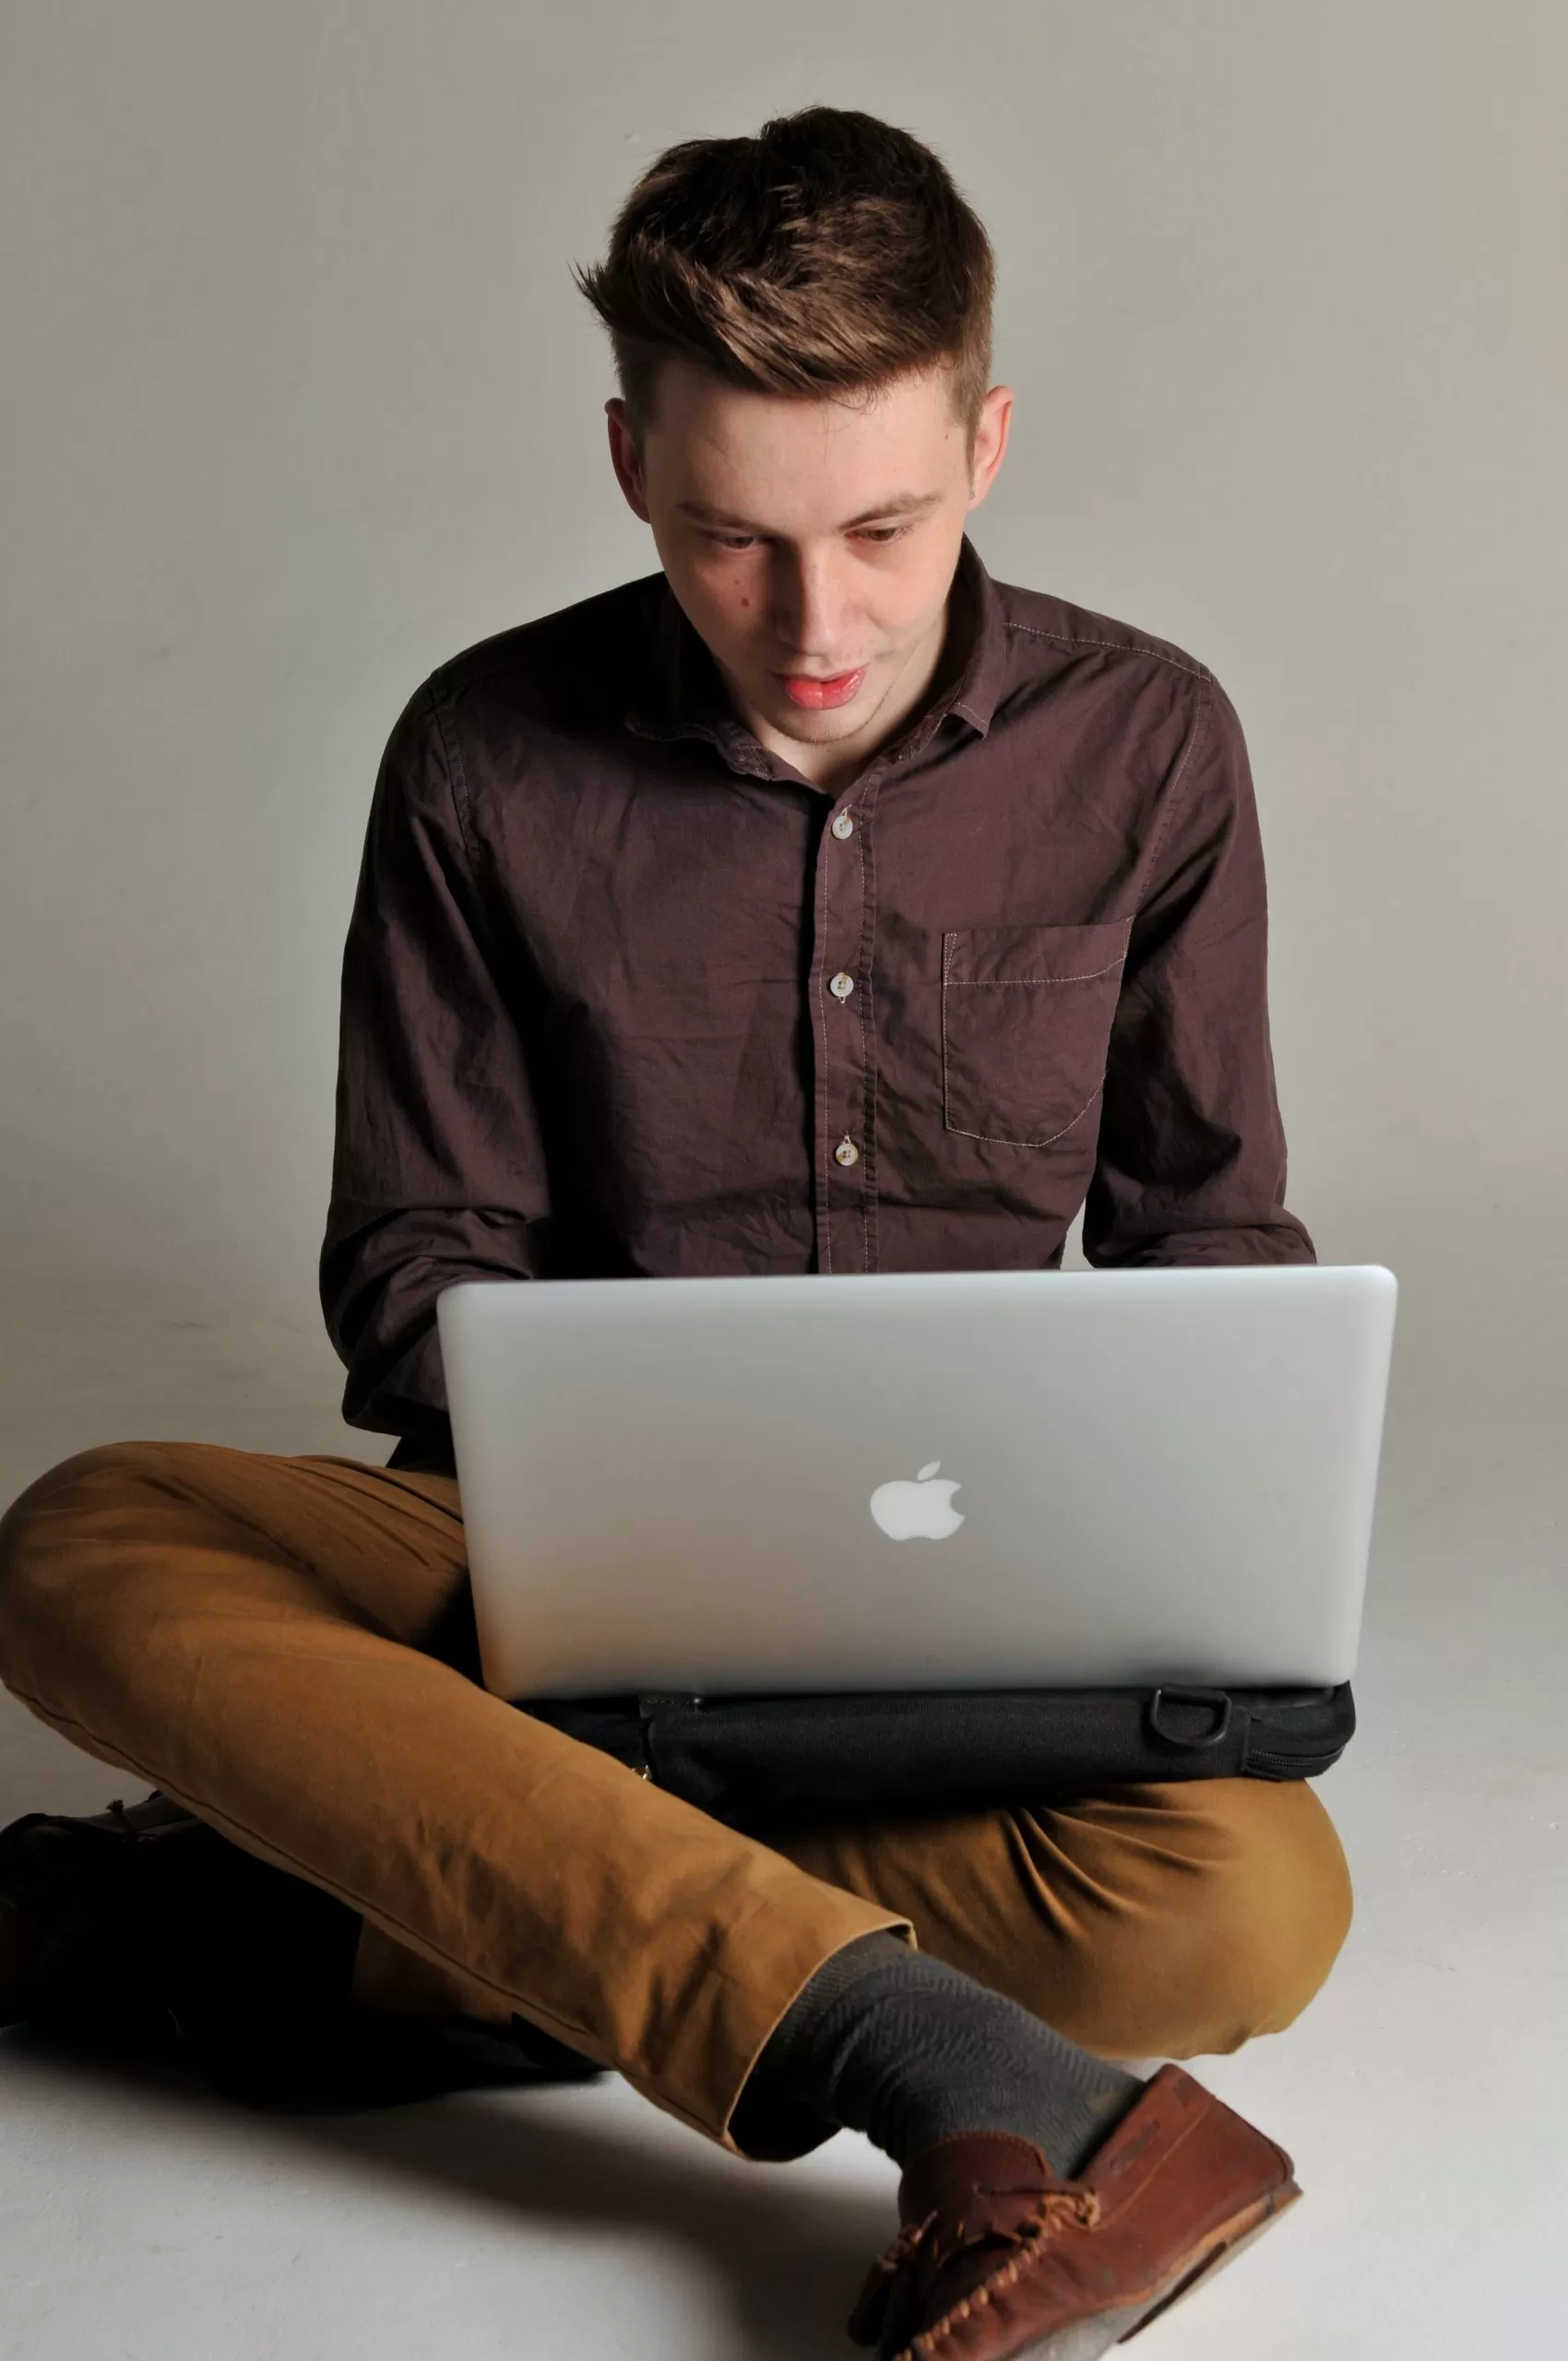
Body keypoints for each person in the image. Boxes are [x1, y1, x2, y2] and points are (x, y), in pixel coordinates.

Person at [0, 107, 1352, 2358]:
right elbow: (412, 1263)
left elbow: (1211, 1242)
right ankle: (943, 2059)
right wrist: (638, 1450)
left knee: (1244, 1907)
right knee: (80, 1539)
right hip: (545, 1592)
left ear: (986, 442)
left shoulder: (1149, 743)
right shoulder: (482, 752)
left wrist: (1202, 1503)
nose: (814, 622)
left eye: (882, 528)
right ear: (630, 462)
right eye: (732, 538)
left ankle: (327, 1907)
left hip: (972, 1589)